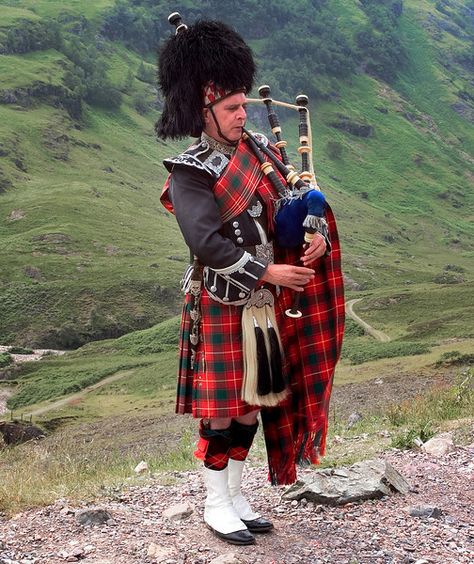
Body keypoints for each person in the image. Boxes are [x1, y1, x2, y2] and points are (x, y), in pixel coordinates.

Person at [156, 16, 345, 546]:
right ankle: (215, 502)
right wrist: (271, 269)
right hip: (224, 299)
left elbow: (290, 200)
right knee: (223, 409)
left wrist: (314, 235)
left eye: (243, 104)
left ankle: (236, 495)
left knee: (252, 400)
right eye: (233, 107)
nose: (245, 114)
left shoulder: (260, 150)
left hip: (263, 303)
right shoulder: (190, 170)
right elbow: (205, 244)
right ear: (204, 110)